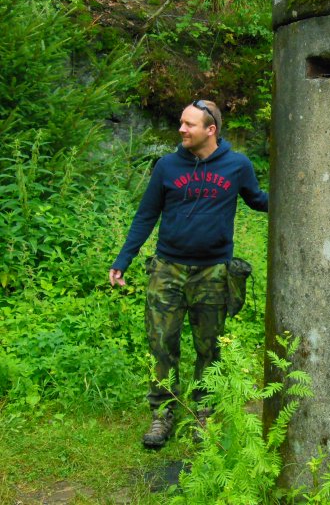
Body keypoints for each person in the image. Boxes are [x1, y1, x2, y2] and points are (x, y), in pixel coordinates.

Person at [109, 99, 269, 448]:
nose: (181, 129)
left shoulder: (237, 165)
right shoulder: (167, 166)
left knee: (208, 347)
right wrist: (123, 259)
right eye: (181, 122)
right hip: (167, 269)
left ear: (210, 130)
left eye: (189, 124)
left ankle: (203, 411)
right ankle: (163, 413)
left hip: (213, 273)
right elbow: (146, 215)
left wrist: (300, 195)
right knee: (161, 344)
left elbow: (258, 200)